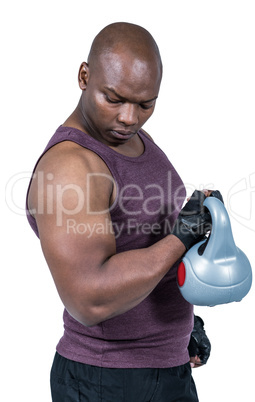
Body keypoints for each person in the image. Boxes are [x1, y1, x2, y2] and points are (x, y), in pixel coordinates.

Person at [26, 22, 218, 402]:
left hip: (165, 366)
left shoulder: (132, 137)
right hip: (107, 378)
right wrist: (183, 237)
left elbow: (145, 237)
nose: (130, 117)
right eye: (113, 99)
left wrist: (183, 323)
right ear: (84, 76)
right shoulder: (70, 167)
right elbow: (89, 300)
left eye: (145, 104)